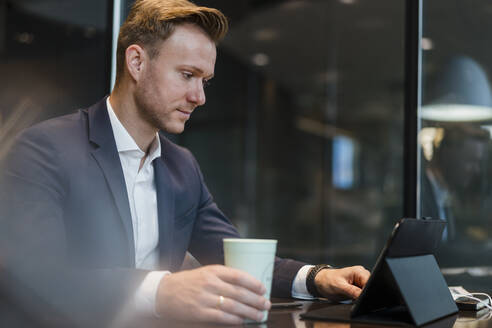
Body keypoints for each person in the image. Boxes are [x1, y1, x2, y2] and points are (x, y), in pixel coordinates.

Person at [0, 0, 369, 326]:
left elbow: (232, 256)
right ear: (137, 62)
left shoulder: (181, 165)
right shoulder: (45, 149)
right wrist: (162, 290)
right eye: (187, 75)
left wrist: (317, 278)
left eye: (205, 80)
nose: (199, 96)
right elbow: (37, 275)